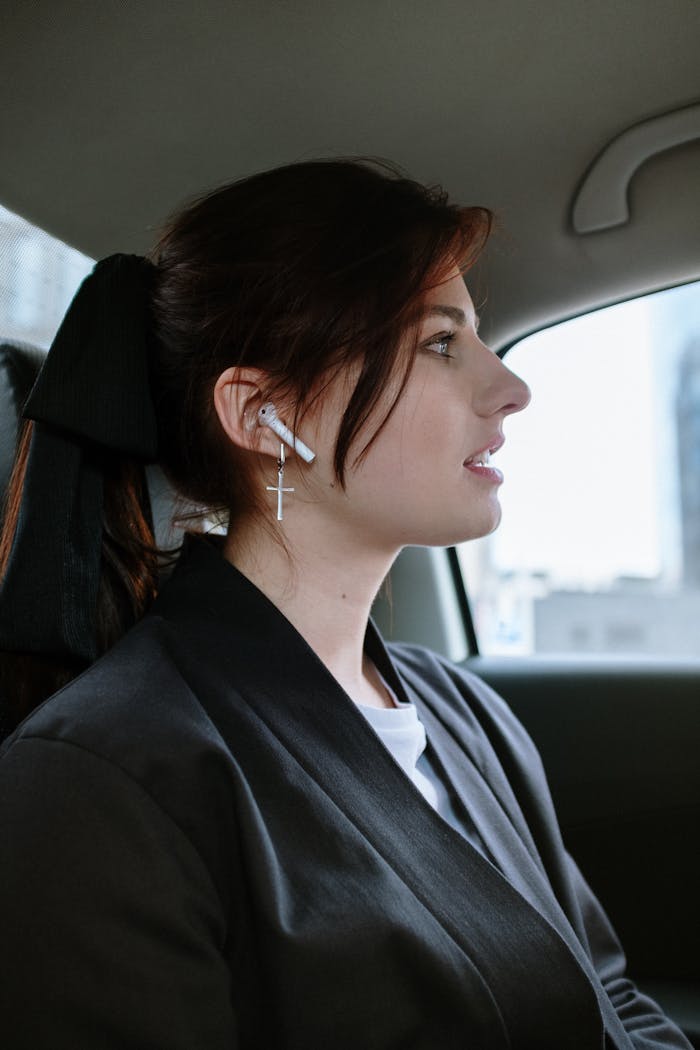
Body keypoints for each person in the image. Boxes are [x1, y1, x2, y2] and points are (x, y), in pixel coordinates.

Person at [0, 159, 690, 1050]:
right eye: (442, 343)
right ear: (263, 415)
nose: (510, 388)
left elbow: (610, 999)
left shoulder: (466, 714)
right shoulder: (99, 784)